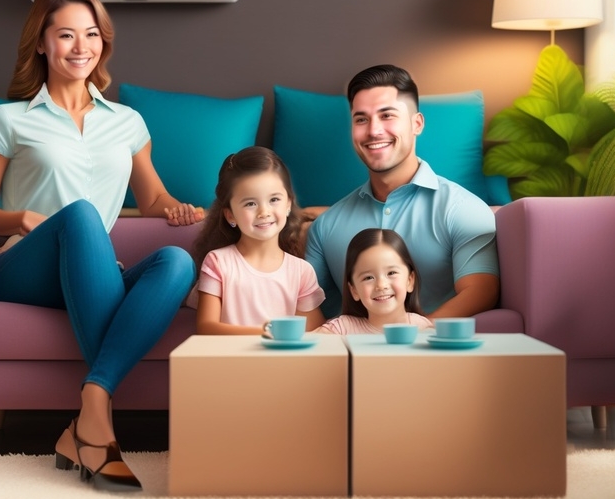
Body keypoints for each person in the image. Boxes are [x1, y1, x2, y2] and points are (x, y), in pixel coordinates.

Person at [0, 0, 203, 492]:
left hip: (89, 269)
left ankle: (89, 415)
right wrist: (21, 220)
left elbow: (153, 201)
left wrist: (179, 210)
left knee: (177, 264)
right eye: (67, 35)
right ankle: (94, 430)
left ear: (104, 42)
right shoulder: (7, 119)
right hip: (22, 268)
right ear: (41, 43)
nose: (82, 47)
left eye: (92, 35)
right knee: (79, 215)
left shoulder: (127, 122)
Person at [305, 64, 499, 319]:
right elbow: (305, 305)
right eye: (361, 119)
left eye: (387, 115)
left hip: (434, 354)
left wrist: (411, 342)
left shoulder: (463, 208)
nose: (374, 130)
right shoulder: (326, 225)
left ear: (416, 123)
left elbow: (480, 291)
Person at [193, 146, 325, 335]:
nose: (264, 212)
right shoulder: (218, 263)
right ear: (230, 215)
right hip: (230, 363)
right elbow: (206, 328)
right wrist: (269, 332)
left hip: (285, 364)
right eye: (250, 203)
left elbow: (316, 332)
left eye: (274, 200)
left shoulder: (301, 271)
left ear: (288, 204)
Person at [314, 228, 433, 335]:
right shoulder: (340, 330)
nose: (381, 285)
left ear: (410, 280)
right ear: (354, 289)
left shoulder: (423, 328)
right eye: (368, 278)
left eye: (391, 273)